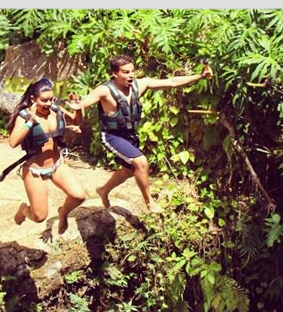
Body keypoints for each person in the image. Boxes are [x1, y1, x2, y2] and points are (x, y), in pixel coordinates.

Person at [72, 54, 213, 213]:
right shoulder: (104, 91)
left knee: (129, 171)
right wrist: (77, 106)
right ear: (114, 73)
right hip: (112, 136)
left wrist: (200, 76)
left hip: (130, 135)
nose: (131, 75)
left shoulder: (140, 84)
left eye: (132, 71)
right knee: (141, 162)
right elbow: (82, 105)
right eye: (125, 72)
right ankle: (149, 203)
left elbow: (172, 82)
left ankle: (103, 190)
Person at [7, 77, 85, 234]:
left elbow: (77, 122)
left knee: (79, 196)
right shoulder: (25, 116)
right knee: (39, 216)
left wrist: (78, 108)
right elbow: (13, 142)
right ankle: (23, 210)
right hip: (34, 170)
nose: (48, 104)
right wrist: (31, 122)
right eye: (44, 100)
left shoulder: (55, 111)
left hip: (56, 164)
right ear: (33, 99)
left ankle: (63, 213)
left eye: (51, 99)